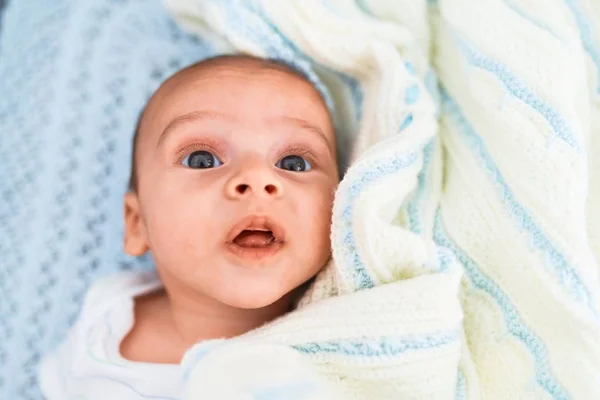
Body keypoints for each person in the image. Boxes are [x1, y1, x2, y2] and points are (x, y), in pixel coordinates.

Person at [38, 54, 339, 399]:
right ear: (137, 224)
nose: (256, 178)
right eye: (202, 159)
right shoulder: (102, 324)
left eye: (294, 162)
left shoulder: (336, 346)